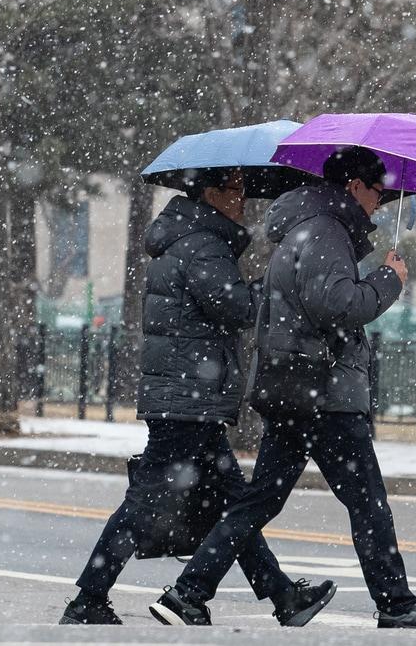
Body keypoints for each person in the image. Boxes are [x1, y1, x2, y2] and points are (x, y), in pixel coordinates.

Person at [157, 146, 416, 630]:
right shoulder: (326, 232)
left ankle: (187, 594)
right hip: (324, 393)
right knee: (367, 501)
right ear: (353, 186)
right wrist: (389, 279)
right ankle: (397, 605)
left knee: (261, 499)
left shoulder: (308, 227)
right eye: (377, 191)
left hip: (294, 389)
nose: (379, 204)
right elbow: (336, 306)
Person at [60, 168, 335, 627]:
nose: (242, 199)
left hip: (188, 397)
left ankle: (282, 596)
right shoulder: (203, 245)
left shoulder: (187, 239)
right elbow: (238, 306)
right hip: (187, 400)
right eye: (235, 190)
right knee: (148, 501)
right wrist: (279, 281)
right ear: (211, 194)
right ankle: (89, 599)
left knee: (234, 505)